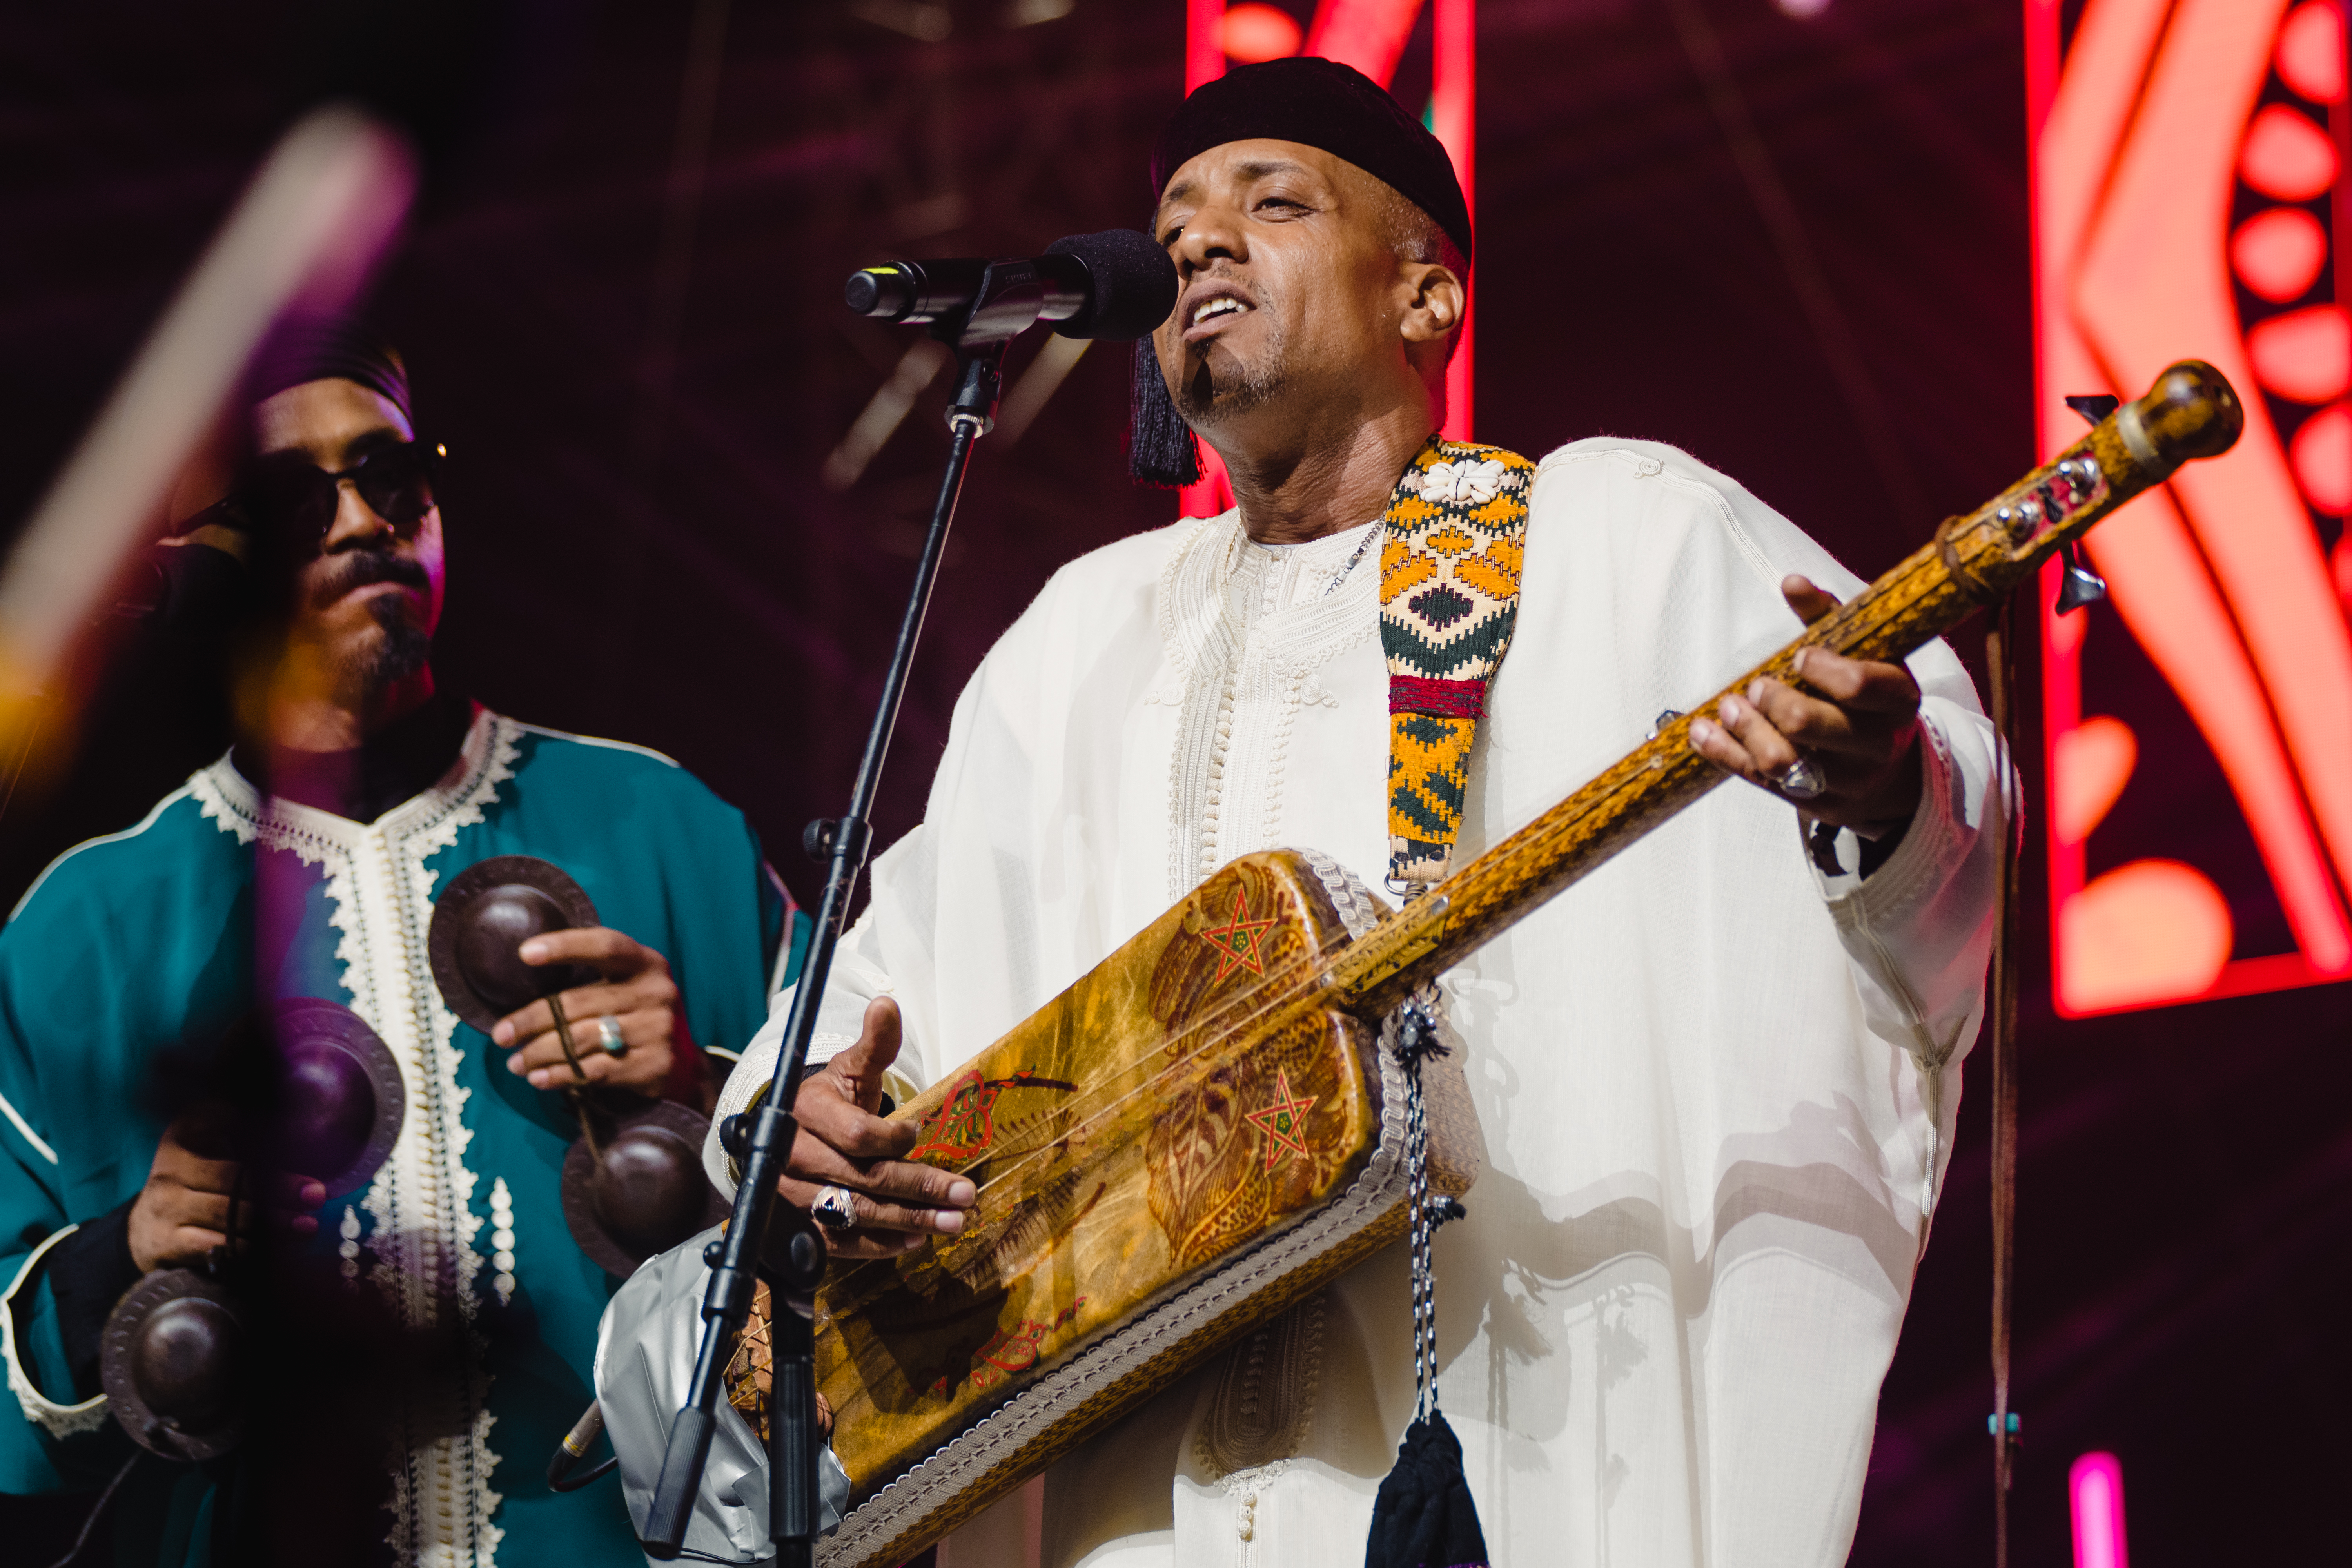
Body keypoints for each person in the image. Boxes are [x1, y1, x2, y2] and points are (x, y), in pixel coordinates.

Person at [641, 57, 2006, 1568]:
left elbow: (1924, 806)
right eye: (1172, 230)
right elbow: (901, 961)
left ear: (1426, 296)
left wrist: (1876, 793)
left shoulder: (1620, 540)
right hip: (1129, 1499)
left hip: (1510, 1439)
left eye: (1270, 202)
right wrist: (806, 1102)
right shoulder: (1078, 639)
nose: (1201, 246)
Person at [0, 318, 807, 1566]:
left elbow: (885, 1185)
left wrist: (708, 1100)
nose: (367, 520)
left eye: (393, 476)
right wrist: (125, 1258)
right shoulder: (83, 930)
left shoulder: (665, 830)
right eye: (288, 497)